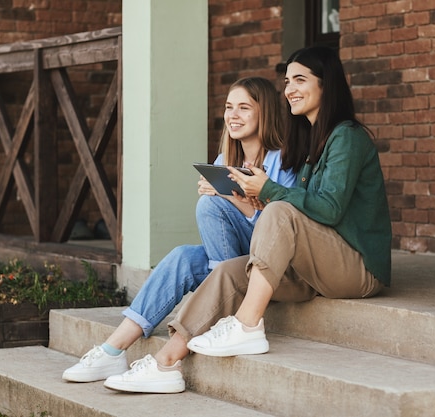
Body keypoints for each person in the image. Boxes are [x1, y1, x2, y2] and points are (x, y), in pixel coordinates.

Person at [95, 46, 392, 394]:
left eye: (300, 80)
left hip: (357, 267)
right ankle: (165, 363)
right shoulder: (315, 140)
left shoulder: (346, 136)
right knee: (226, 270)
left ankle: (246, 325)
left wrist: (266, 191)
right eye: (287, 81)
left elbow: (328, 209)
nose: (290, 89)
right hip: (316, 265)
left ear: (327, 86)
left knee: (280, 211)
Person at [61, 77, 296, 386]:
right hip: (234, 263)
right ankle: (112, 350)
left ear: (264, 113)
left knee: (208, 207)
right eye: (228, 107)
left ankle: (221, 304)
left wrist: (232, 201)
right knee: (182, 256)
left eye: (243, 108)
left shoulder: (285, 163)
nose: (233, 116)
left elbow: (280, 230)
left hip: (267, 268)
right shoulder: (226, 161)